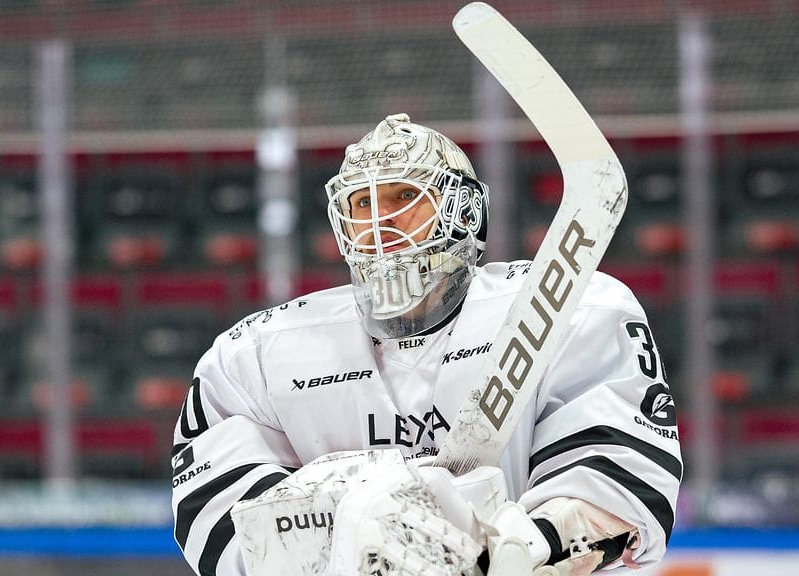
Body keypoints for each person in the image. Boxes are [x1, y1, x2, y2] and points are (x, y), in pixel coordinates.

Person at [171, 113, 682, 576]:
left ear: (460, 208)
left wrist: (521, 548)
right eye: (362, 202)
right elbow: (217, 511)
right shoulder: (258, 352)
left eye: (402, 197)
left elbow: (622, 479)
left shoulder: (569, 306)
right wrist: (351, 536)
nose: (378, 223)